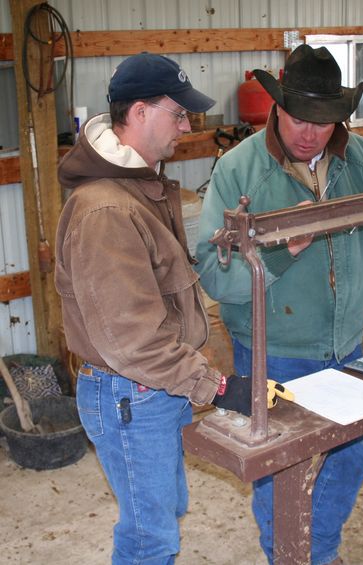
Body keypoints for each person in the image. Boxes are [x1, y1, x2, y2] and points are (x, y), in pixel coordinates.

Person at [194, 44, 363, 565]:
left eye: (322, 122)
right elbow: (215, 276)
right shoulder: (237, 171)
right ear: (277, 106)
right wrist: (281, 252)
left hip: (345, 345)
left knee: (349, 458)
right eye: (298, 118)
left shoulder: (362, 162)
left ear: (339, 117)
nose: (308, 133)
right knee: (279, 467)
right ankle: (288, 557)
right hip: (273, 352)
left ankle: (317, 552)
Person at [55, 52, 252, 564]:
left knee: (164, 511)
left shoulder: (140, 188)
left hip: (149, 387)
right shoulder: (106, 209)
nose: (186, 127)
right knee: (150, 538)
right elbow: (131, 337)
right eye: (178, 114)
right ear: (139, 112)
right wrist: (216, 385)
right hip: (131, 392)